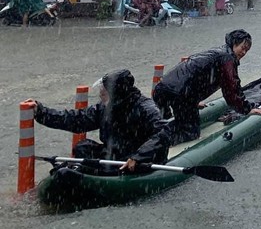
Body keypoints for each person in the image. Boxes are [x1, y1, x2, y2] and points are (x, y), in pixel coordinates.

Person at [29, 69, 169, 173]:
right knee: (83, 146)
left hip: (134, 158)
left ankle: (104, 176)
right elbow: (76, 119)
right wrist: (41, 112)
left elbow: (163, 133)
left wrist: (138, 157)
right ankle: (84, 173)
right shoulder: (104, 109)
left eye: (104, 91)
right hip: (113, 154)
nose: (101, 94)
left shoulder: (146, 108)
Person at [152, 30, 261, 143]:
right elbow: (232, 89)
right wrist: (247, 109)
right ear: (234, 43)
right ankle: (157, 144)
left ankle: (152, 138)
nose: (243, 53)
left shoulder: (217, 52)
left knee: (164, 122)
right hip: (180, 93)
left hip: (163, 89)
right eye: (242, 48)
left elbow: (191, 76)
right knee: (190, 132)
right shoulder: (227, 59)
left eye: (246, 50)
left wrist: (193, 101)